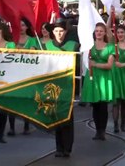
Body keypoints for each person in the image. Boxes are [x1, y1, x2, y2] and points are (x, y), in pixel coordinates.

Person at [43, 18, 79, 158]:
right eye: (56, 31)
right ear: (53, 32)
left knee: (68, 117)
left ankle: (67, 147)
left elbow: (78, 66)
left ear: (66, 31)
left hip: (68, 85)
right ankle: (59, 147)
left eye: (61, 31)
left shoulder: (74, 45)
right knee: (56, 116)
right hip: (53, 86)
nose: (59, 33)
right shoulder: (47, 46)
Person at [81, 23, 115, 140]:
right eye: (97, 31)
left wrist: (96, 64)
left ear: (105, 32)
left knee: (103, 106)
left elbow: (110, 65)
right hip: (93, 77)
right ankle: (97, 130)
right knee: (95, 105)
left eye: (101, 31)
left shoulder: (110, 47)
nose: (99, 33)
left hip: (104, 78)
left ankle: (102, 131)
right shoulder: (89, 47)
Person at [8, 19, 36, 136]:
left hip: (27, 74)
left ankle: (26, 126)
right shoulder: (12, 40)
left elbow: (32, 54)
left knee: (26, 101)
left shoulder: (32, 40)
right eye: (19, 26)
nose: (21, 27)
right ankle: (12, 128)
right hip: (14, 73)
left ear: (27, 27)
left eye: (23, 25)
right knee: (12, 101)